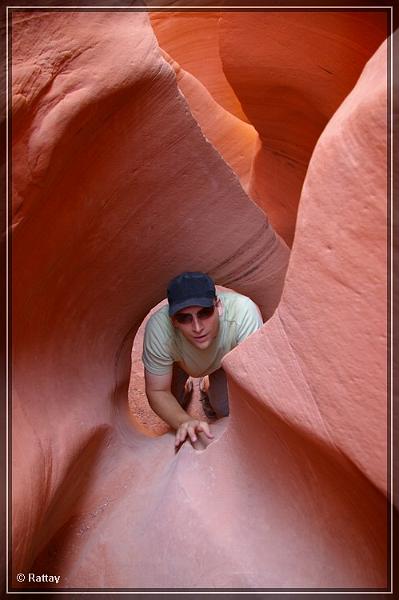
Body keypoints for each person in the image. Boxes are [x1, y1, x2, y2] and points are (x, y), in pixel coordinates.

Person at [142, 271, 263, 448]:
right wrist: (184, 420)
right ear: (173, 320)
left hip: (226, 361)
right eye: (185, 318)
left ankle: (206, 385)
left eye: (205, 313)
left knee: (223, 409)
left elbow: (253, 382)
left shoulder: (243, 313)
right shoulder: (159, 331)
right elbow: (158, 391)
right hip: (180, 363)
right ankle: (186, 389)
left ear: (218, 306)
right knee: (174, 403)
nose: (197, 327)